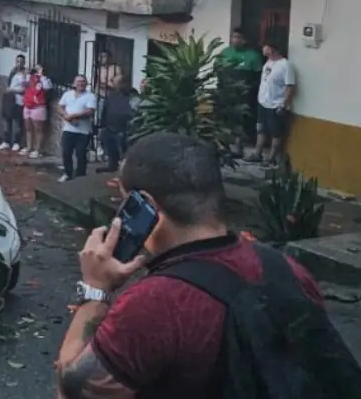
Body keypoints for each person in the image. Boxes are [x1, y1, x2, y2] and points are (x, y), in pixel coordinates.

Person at [54, 132, 359, 398]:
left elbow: (73, 390)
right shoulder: (290, 270)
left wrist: (95, 289)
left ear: (147, 206)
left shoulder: (154, 305)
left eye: (125, 203)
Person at [219, 29, 263, 153]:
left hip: (245, 95)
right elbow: (218, 71)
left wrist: (249, 90)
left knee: (242, 120)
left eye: (238, 37)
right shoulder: (225, 53)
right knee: (226, 119)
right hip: (227, 93)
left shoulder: (253, 56)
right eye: (233, 37)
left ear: (245, 40)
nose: (235, 39)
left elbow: (258, 77)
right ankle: (224, 146)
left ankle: (239, 146)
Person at [254, 39, 295, 169]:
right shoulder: (268, 62)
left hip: (276, 104)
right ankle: (257, 153)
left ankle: (271, 157)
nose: (263, 50)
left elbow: (290, 86)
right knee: (261, 129)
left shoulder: (285, 65)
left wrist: (284, 104)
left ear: (272, 48)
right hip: (263, 102)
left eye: (265, 47)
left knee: (276, 132)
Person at [57, 74, 98, 181]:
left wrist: (74, 116)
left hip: (83, 131)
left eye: (83, 81)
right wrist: (66, 116)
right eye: (78, 81)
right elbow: (60, 106)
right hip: (68, 128)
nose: (80, 84)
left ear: (86, 83)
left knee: (80, 153)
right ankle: (67, 173)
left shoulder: (90, 96)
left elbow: (90, 111)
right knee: (66, 151)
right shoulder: (67, 94)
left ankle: (81, 175)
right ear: (74, 83)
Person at [97, 77, 135, 174]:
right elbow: (105, 110)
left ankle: (126, 171)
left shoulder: (132, 94)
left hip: (125, 129)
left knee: (125, 152)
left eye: (115, 82)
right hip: (110, 128)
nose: (113, 84)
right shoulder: (112, 95)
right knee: (111, 150)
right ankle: (112, 166)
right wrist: (102, 126)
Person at [22, 64, 52, 159]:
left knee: (38, 129)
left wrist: (41, 75)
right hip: (27, 105)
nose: (36, 70)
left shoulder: (45, 80)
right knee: (28, 128)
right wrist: (26, 74)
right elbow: (23, 84)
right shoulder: (30, 78)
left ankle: (38, 150)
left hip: (38, 107)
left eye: (38, 68)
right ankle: (29, 147)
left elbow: (47, 87)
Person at [4, 54, 28, 151]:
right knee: (7, 119)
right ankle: (6, 141)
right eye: (17, 61)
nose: (19, 63)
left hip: (19, 100)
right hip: (10, 99)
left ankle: (16, 142)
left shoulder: (25, 74)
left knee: (18, 122)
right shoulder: (13, 72)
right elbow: (8, 84)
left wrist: (12, 90)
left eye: (21, 62)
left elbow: (25, 88)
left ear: (24, 63)